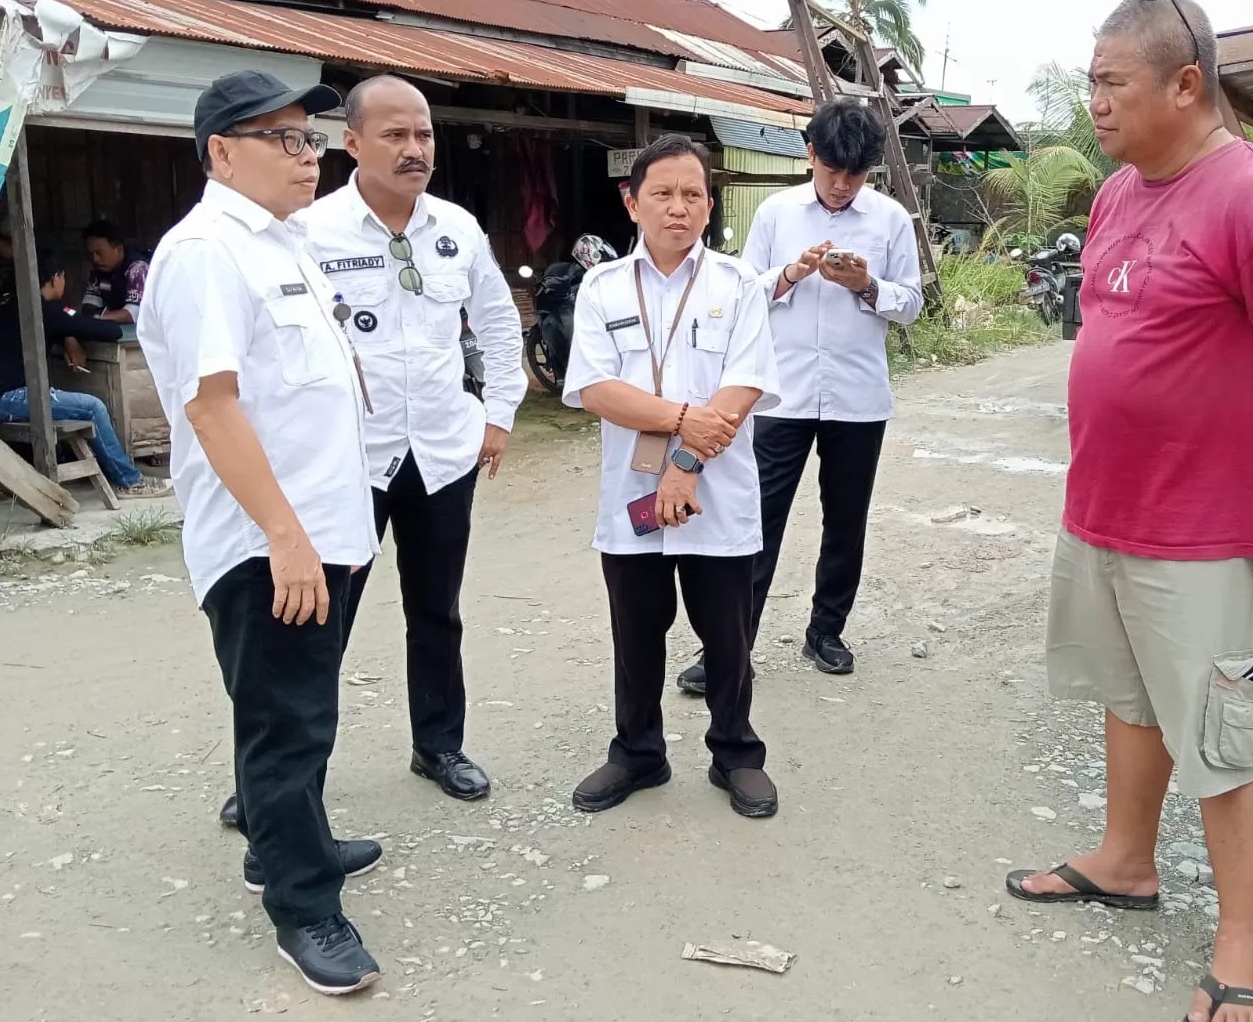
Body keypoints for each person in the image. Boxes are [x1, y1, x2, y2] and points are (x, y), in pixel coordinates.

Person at [1003, 0, 1253, 1022]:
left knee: (1227, 732)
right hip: (1106, 509)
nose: (1096, 104)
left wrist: (1249, 451)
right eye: (1091, 82)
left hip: (1208, 527)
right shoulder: (1121, 192)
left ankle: (1243, 939)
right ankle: (1123, 860)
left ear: (1185, 83)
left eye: (1111, 83)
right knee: (1131, 698)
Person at [139, 70, 383, 995]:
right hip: (267, 541)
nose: (307, 154)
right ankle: (303, 906)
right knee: (285, 723)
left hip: (323, 528)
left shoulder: (279, 243)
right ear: (221, 152)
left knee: (300, 708)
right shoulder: (206, 252)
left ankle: (288, 843)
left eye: (310, 138)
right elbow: (212, 407)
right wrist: (283, 534)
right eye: (283, 138)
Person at [275, 74, 524, 812]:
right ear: (351, 143)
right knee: (321, 622)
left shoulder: (457, 228)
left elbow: (499, 322)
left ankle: (439, 744)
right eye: (395, 135)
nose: (415, 149)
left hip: (443, 453)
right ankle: (282, 776)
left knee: (437, 610)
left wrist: (499, 412)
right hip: (348, 461)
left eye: (423, 135)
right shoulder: (309, 232)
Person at [561, 135, 783, 821]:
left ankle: (736, 754)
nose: (679, 208)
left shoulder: (738, 284)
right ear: (632, 202)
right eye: (663, 193)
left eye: (693, 194)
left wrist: (685, 464)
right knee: (637, 633)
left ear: (710, 205)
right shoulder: (601, 288)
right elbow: (596, 387)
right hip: (631, 498)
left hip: (716, 493)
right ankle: (638, 753)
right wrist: (686, 420)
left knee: (727, 636)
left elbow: (745, 384)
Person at [674, 98, 922, 696]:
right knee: (754, 523)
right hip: (779, 397)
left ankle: (826, 632)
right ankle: (730, 647)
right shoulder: (777, 213)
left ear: (871, 172)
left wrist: (867, 286)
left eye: (855, 174)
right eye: (831, 169)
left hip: (858, 401)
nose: (840, 185)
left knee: (846, 523)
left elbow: (911, 303)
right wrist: (790, 275)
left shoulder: (890, 220)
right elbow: (743, 293)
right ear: (809, 154)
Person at [0, 265, 169, 498]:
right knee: (93, 407)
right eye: (63, 276)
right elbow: (110, 332)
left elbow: (62, 319)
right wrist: (71, 329)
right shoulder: (40, 307)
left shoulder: (4, 301)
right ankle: (130, 482)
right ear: (55, 278)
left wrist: (67, 334)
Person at [78, 220, 146, 329]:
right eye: (91, 254)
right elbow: (88, 308)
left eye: (99, 253)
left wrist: (99, 318)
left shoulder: (137, 268)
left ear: (118, 249)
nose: (95, 259)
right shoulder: (99, 271)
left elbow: (132, 314)